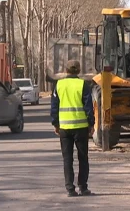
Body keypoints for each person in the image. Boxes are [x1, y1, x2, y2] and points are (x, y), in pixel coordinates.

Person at [51, 60, 95, 197]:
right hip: (81, 127)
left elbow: (54, 107)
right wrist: (91, 124)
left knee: (67, 159)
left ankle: (70, 188)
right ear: (79, 70)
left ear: (66, 70)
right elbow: (88, 107)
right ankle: (83, 187)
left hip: (64, 127)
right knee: (83, 158)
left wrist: (55, 124)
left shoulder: (59, 84)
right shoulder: (83, 84)